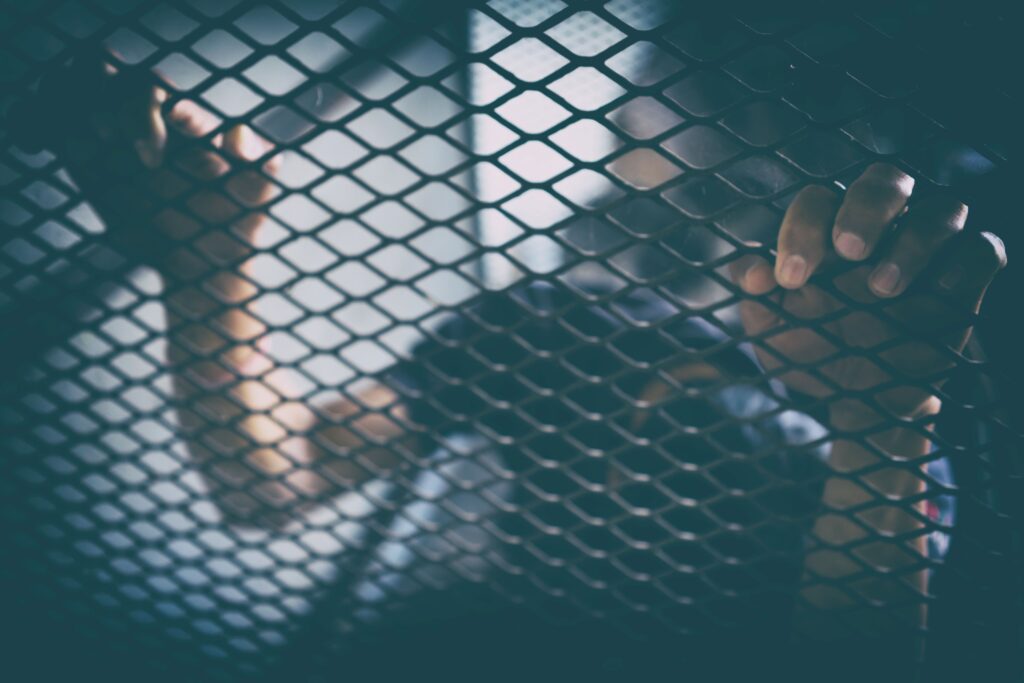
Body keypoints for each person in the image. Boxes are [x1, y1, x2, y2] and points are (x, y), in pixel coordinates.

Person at [16, 52, 1007, 675]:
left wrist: (883, 416)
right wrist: (207, 270)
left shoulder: (880, 437)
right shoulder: (543, 327)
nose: (688, 179)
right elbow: (271, 481)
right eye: (657, 130)